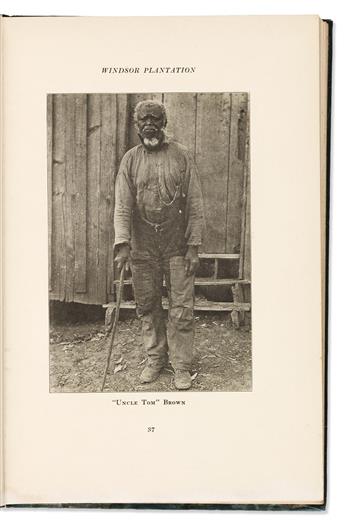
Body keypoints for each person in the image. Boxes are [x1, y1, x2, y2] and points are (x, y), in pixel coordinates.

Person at [114, 99, 205, 390]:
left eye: (155, 119)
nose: (149, 124)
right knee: (148, 304)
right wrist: (122, 242)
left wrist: (194, 245)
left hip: (176, 243)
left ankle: (181, 365)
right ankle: (155, 359)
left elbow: (195, 203)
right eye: (143, 120)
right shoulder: (130, 159)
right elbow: (122, 205)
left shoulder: (182, 156)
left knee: (181, 307)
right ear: (137, 125)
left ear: (164, 123)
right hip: (143, 246)